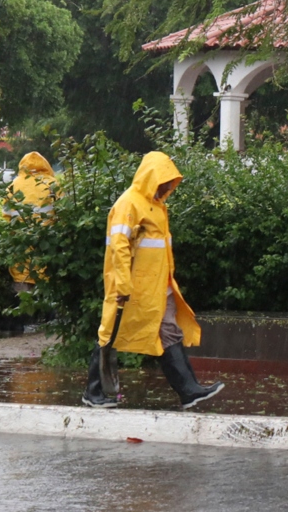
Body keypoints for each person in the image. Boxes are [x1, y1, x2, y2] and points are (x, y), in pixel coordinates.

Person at [82, 151, 224, 410]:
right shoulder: (129, 203)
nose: (168, 187)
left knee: (168, 330)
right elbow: (119, 247)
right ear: (152, 178)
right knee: (109, 333)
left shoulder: (156, 207)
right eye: (164, 181)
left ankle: (189, 390)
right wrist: (123, 285)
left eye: (170, 182)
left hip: (158, 285)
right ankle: (93, 392)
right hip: (133, 286)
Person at [2, 151, 55, 295]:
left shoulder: (13, 187)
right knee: (48, 305)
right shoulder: (53, 185)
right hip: (47, 255)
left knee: (23, 305)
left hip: (21, 258)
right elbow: (64, 218)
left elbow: (6, 220)